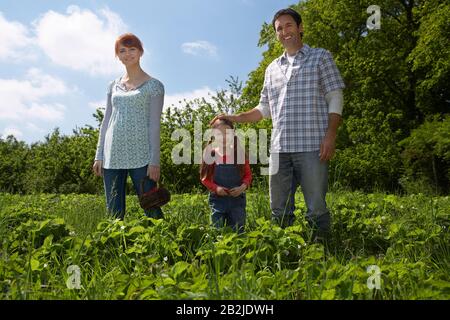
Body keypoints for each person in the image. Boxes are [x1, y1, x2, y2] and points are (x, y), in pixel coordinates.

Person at [211, 8, 345, 241]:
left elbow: (335, 96)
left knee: (316, 204)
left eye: (289, 25)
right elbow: (263, 110)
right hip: (280, 148)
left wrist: (331, 135)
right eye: (279, 28)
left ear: (300, 27)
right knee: (279, 208)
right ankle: (283, 249)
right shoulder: (272, 69)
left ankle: (323, 250)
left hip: (313, 145)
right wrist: (234, 117)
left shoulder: (321, 57)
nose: (284, 31)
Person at [93, 33, 164, 220]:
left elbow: (154, 125)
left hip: (141, 155)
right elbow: (106, 120)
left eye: (132, 49)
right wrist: (99, 155)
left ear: (140, 52)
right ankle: (116, 247)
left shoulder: (154, 86)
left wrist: (154, 160)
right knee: (114, 213)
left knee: (152, 208)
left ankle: (164, 245)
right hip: (112, 154)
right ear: (117, 55)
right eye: (122, 50)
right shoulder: (113, 86)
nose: (127, 54)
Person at [200, 118, 252, 233]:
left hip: (237, 200)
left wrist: (242, 187)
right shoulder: (211, 153)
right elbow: (205, 179)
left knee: (238, 231)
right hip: (218, 200)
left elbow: (248, 176)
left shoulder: (239, 153)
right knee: (217, 230)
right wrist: (216, 188)